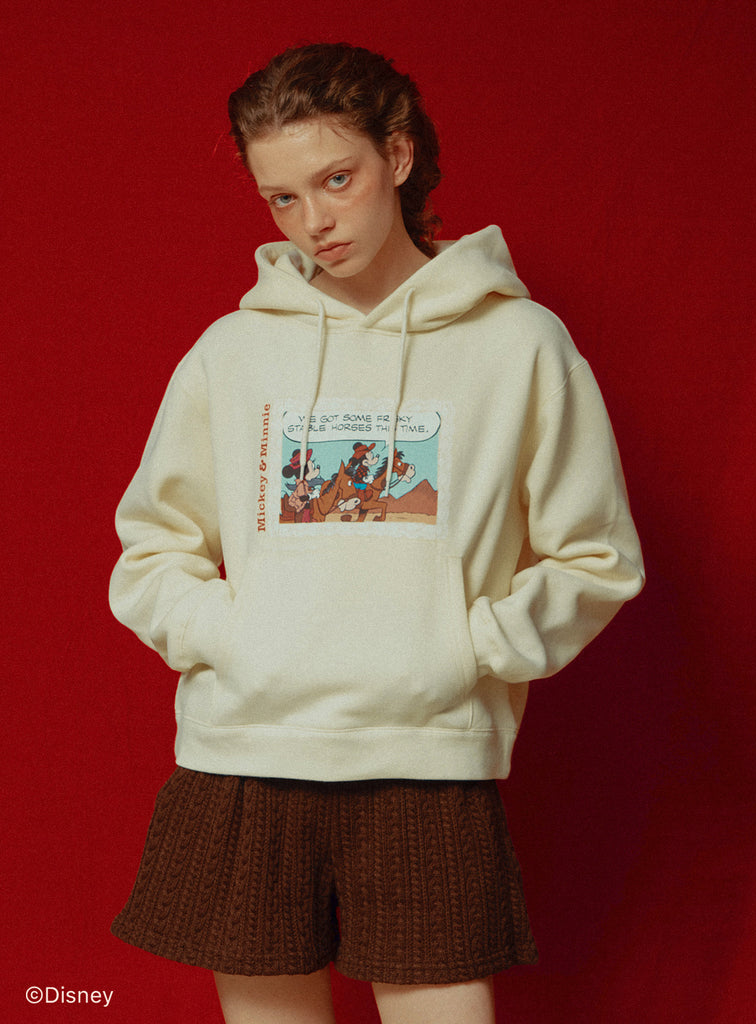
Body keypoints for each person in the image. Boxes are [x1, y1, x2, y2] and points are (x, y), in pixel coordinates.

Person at [108, 42, 645, 1024]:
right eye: (281, 198)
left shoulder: (519, 344)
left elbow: (596, 557)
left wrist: (465, 649)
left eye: (336, 180)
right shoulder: (234, 352)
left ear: (397, 155)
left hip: (425, 757)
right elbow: (152, 548)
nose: (313, 222)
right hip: (248, 751)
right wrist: (236, 636)